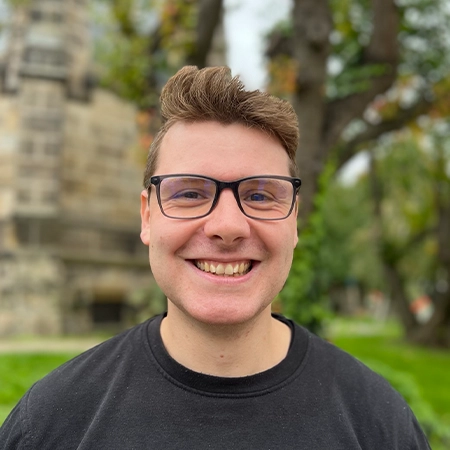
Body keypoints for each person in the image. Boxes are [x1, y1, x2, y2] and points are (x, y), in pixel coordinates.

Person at [0, 66, 430, 449]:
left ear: (294, 220)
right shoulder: (49, 423)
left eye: (260, 195)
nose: (228, 225)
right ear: (148, 216)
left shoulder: (380, 424)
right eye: (190, 193)